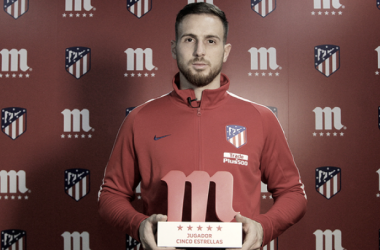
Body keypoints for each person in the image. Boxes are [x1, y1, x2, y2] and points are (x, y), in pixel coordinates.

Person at [98, 3, 307, 250]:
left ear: (225, 50)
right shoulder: (139, 119)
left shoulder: (260, 118)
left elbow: (293, 193)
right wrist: (139, 224)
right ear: (174, 48)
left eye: (211, 41)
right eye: (189, 40)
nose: (199, 51)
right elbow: (111, 195)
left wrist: (263, 228)